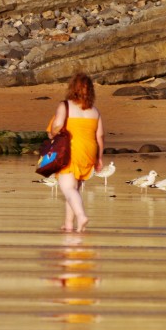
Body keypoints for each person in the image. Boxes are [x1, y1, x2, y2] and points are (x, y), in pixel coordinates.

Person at [47, 72, 104, 232]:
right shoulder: (94, 111)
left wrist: (52, 133)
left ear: (73, 88)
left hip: (69, 149)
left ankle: (81, 216)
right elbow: (99, 136)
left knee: (68, 189)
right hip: (88, 150)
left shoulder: (65, 106)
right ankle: (69, 224)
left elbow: (57, 126)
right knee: (74, 190)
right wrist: (99, 158)